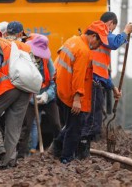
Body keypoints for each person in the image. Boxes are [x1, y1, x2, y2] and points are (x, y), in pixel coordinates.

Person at [52, 20, 108, 164]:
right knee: (75, 128)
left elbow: (58, 60)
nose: (99, 46)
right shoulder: (83, 51)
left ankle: (57, 149)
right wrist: (77, 99)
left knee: (70, 125)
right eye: (100, 42)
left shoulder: (72, 41)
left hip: (61, 90)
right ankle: (66, 158)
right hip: (71, 96)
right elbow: (79, 76)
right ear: (94, 36)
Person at [0, 22, 31, 169]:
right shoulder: (19, 46)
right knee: (13, 127)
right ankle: (8, 161)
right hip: (25, 88)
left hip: (8, 87)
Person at [80, 12, 131, 157]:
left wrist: (113, 87)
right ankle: (80, 150)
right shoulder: (101, 32)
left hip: (96, 81)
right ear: (110, 24)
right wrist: (126, 31)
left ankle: (81, 150)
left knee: (91, 120)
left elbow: (102, 70)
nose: (112, 33)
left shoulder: (97, 36)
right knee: (92, 121)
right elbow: (115, 43)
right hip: (93, 82)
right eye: (113, 29)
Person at [17, 34, 61, 158]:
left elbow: (54, 82)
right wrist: (32, 98)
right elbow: (21, 81)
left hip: (48, 98)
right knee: (26, 126)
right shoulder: (24, 60)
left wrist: (47, 95)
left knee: (56, 124)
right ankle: (20, 155)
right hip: (30, 98)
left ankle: (59, 151)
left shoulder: (48, 62)